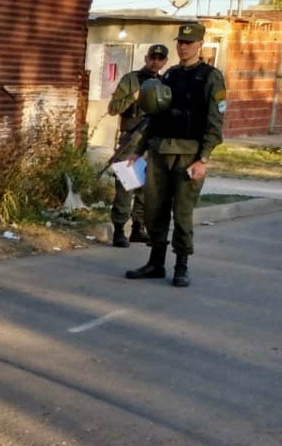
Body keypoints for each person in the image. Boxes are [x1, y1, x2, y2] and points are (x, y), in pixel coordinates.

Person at [125, 23, 226, 288]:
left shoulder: (210, 77)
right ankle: (156, 262)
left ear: (200, 45)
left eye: (188, 43)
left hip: (188, 155)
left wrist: (203, 159)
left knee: (182, 213)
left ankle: (181, 265)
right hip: (160, 152)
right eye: (180, 42)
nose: (183, 46)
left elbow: (215, 124)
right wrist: (138, 152)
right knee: (154, 210)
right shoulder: (169, 75)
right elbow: (154, 118)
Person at [106, 44, 169, 247]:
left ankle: (137, 228)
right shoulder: (131, 79)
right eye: (152, 57)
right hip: (132, 139)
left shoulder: (164, 83)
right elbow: (113, 108)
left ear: (165, 62)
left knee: (146, 187)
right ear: (146, 57)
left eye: (160, 59)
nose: (155, 62)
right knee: (126, 185)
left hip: (152, 141)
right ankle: (118, 230)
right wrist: (133, 96)